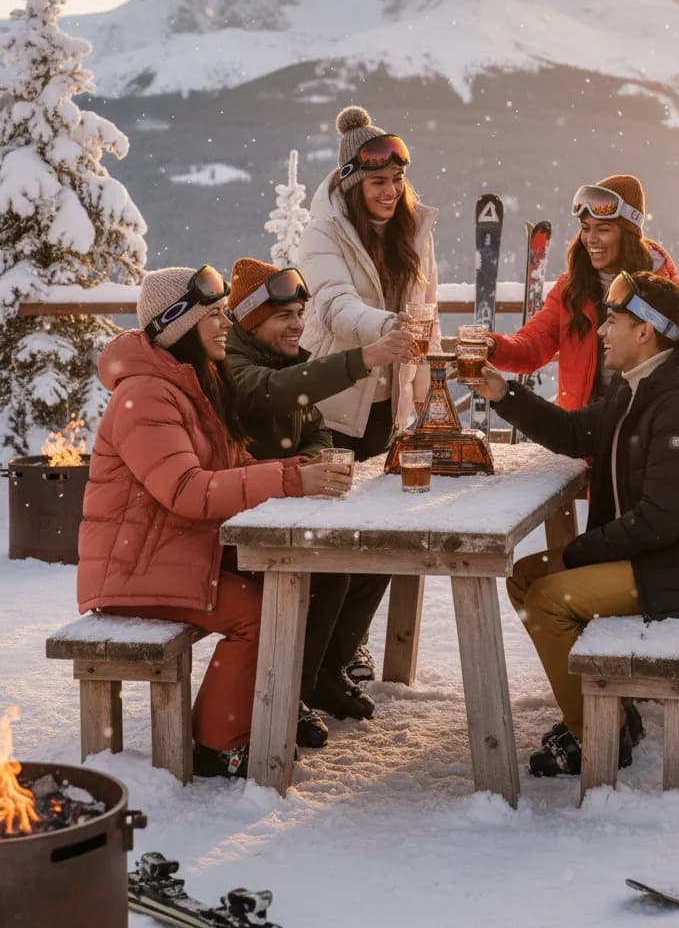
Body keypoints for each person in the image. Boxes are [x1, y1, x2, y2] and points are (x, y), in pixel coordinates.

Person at [468, 272, 679, 777]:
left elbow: (660, 522)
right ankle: (608, 710)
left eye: (613, 322)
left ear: (646, 331)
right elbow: (577, 430)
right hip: (657, 556)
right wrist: (502, 393)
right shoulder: (639, 385)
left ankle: (598, 733)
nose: (602, 333)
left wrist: (574, 554)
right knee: (525, 579)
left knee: (549, 599)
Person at [77, 266, 352, 780]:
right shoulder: (146, 396)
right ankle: (215, 745)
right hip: (133, 570)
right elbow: (187, 492)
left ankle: (254, 720)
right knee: (258, 610)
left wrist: (297, 470)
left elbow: (223, 471)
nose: (226, 324)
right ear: (179, 324)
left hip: (170, 555)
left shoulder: (188, 384)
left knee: (280, 589)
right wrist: (291, 482)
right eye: (214, 315)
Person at [226, 257, 415, 743]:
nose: (297, 325)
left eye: (299, 314)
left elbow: (314, 428)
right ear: (251, 319)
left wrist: (313, 462)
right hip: (236, 520)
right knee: (330, 568)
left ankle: (327, 674)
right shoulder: (233, 363)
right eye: (283, 316)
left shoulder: (286, 357)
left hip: (282, 505)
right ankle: (290, 695)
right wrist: (362, 359)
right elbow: (269, 394)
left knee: (377, 553)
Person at [298, 104, 440, 682]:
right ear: (354, 184)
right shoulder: (323, 231)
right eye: (378, 181)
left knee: (384, 544)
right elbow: (331, 304)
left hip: (390, 407)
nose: (390, 191)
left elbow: (425, 314)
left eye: (396, 180)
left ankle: (338, 660)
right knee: (332, 555)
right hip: (331, 404)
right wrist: (384, 328)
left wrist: (426, 401)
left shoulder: (413, 230)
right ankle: (307, 677)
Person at [488, 175, 679, 548]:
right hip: (581, 432)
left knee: (632, 536)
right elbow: (533, 346)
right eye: (586, 229)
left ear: (629, 230)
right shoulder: (572, 288)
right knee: (588, 540)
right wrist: (492, 347)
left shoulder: (662, 289)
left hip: (640, 437)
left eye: (603, 229)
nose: (591, 239)